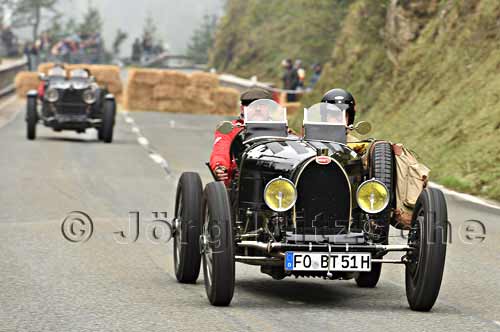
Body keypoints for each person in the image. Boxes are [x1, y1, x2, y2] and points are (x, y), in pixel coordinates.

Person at [209, 87, 273, 184]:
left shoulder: (283, 130)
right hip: (239, 182)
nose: (258, 109)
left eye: (262, 105)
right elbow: (220, 150)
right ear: (242, 108)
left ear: (269, 108)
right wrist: (220, 166)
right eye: (251, 105)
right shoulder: (230, 129)